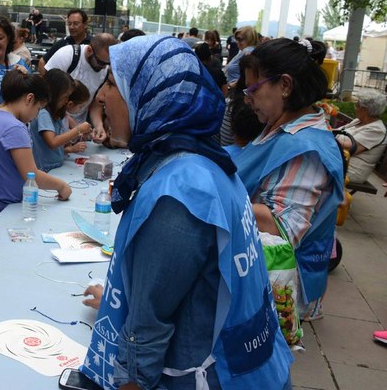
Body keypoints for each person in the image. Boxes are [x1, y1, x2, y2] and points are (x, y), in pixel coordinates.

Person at [80, 34, 292, 390]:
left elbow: (145, 337)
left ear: (150, 93)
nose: (102, 96)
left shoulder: (179, 193)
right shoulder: (205, 162)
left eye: (114, 85)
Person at [233, 38, 344, 320]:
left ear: (284, 85)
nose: (247, 99)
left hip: (276, 287)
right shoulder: (280, 125)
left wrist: (211, 196)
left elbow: (281, 228)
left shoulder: (305, 148)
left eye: (253, 89)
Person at [0, 71, 71, 225]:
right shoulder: (14, 127)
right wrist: (61, 186)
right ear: (29, 99)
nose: (36, 115)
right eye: (38, 108)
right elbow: (32, 176)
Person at [44, 32, 113, 140]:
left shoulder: (105, 71)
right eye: (100, 62)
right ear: (90, 50)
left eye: (108, 63)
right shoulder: (67, 55)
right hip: (54, 124)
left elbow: (96, 103)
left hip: (80, 127)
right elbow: (47, 93)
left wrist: (99, 127)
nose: (104, 67)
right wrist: (69, 121)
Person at [30, 69, 89, 171]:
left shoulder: (55, 114)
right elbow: (52, 142)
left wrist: (77, 135)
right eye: (65, 96)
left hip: (56, 166)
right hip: (45, 168)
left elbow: (61, 140)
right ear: (54, 93)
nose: (66, 101)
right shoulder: (43, 113)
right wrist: (78, 129)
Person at [335, 89, 387, 184]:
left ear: (365, 109)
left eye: (357, 105)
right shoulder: (358, 121)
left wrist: (329, 135)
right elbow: (337, 132)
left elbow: (350, 148)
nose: (355, 108)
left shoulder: (377, 130)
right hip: (340, 162)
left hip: (351, 170)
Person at [37, 8, 92, 74]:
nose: (71, 27)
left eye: (76, 23)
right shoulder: (62, 43)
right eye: (69, 24)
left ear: (85, 24)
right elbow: (42, 62)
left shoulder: (93, 43)